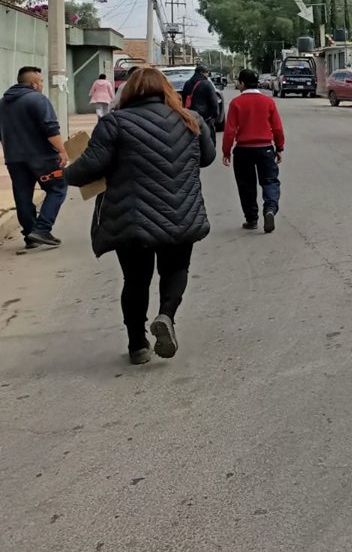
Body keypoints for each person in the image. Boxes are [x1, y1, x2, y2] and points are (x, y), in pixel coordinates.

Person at [64, 67, 215, 364]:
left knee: (135, 280)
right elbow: (207, 158)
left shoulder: (115, 123)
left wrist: (65, 172)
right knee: (176, 269)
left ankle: (137, 345)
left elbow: (89, 169)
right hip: (182, 213)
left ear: (129, 91)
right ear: (166, 91)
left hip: (133, 219)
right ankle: (166, 316)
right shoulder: (191, 120)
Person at [0, 66, 69, 249]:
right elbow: (51, 129)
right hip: (43, 158)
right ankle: (42, 229)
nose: (42, 85)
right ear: (34, 84)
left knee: (22, 195)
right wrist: (62, 150)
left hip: (14, 159)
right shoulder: (37, 99)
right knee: (58, 188)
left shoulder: (2, 103)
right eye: (41, 81)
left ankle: (30, 235)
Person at [223, 69, 284, 233]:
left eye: (238, 82)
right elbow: (277, 128)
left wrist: (226, 151)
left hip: (243, 151)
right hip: (265, 149)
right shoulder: (268, 102)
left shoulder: (236, 103)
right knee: (270, 181)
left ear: (242, 83)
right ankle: (270, 209)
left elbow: (230, 131)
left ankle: (252, 219)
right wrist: (279, 148)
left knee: (246, 186)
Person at [182, 64, 221, 136]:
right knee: (209, 141)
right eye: (207, 73)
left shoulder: (187, 84)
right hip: (205, 118)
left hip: (191, 119)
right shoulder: (207, 84)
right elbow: (214, 102)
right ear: (202, 73)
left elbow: (183, 100)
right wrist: (215, 116)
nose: (208, 75)